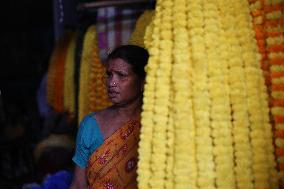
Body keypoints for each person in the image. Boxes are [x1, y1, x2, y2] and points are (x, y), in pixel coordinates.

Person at [70, 45, 149, 189]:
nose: (111, 83)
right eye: (109, 75)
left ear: (143, 81)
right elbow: (78, 184)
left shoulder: (153, 124)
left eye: (121, 75)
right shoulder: (91, 124)